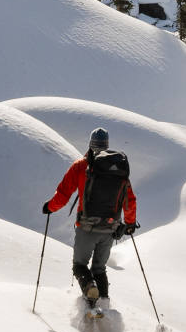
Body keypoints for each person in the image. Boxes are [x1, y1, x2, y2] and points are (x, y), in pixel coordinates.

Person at [43, 128, 138, 312]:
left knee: (79, 265)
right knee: (99, 268)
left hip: (86, 227)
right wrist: (130, 224)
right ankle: (103, 302)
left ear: (90, 144)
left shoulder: (81, 166)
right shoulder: (118, 169)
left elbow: (63, 194)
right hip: (110, 229)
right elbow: (130, 199)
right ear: (107, 145)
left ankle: (90, 292)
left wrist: (49, 207)